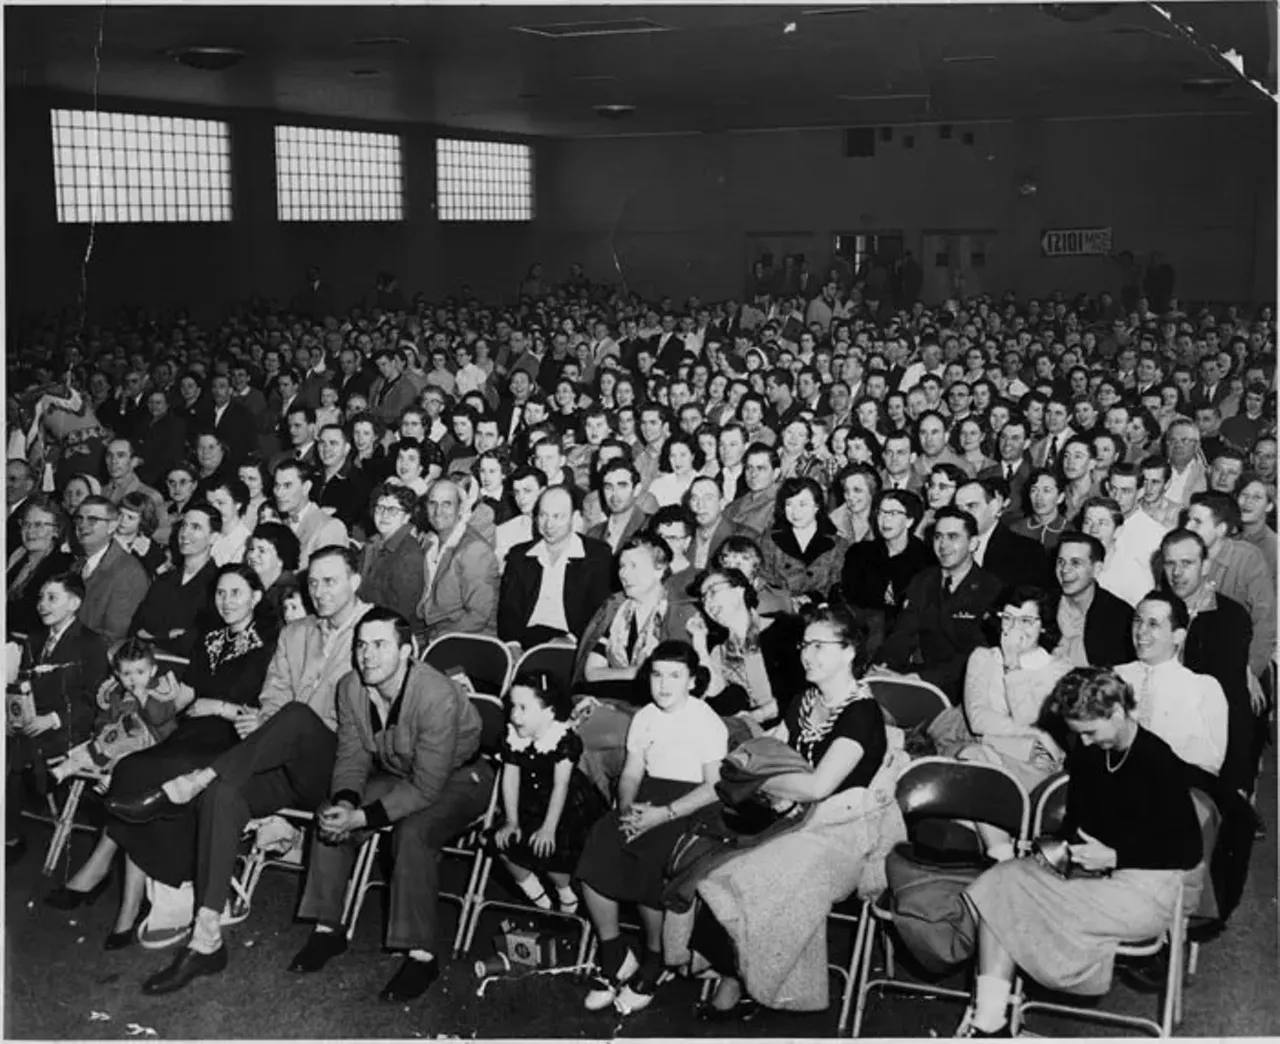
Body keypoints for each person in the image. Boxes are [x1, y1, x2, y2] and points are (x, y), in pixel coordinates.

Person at [107, 546, 372, 994]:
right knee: (223, 796)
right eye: (313, 583)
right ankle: (205, 938)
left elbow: (366, 712)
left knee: (295, 718)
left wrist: (277, 720)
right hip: (279, 754)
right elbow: (273, 695)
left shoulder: (375, 630)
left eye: (331, 581)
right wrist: (263, 721)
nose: (320, 591)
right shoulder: (297, 632)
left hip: (335, 763)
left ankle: (196, 779)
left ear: (355, 582)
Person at [682, 603, 903, 1019]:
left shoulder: (861, 713)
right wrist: (761, 777)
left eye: (820, 646)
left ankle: (744, 980)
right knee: (709, 854)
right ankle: (738, 968)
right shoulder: (803, 700)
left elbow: (819, 785)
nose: (807, 654)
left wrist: (759, 781)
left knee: (751, 873)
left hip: (841, 831)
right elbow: (763, 751)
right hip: (792, 818)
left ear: (850, 652)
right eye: (805, 644)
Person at [957, 667, 1203, 1037]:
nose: (1084, 743)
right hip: (1097, 877)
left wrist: (1117, 857)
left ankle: (990, 1022)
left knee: (1005, 892)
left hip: (1143, 890)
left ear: (1118, 713)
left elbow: (1187, 848)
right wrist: (1053, 851)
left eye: (1090, 731)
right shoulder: (1090, 755)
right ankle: (990, 1019)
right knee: (1003, 878)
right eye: (1078, 734)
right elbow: (1077, 827)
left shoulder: (1158, 760)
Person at [283, 608, 494, 1001]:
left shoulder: (435, 694)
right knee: (332, 811)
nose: (368, 655)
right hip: (400, 773)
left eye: (380, 645)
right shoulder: (351, 687)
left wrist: (361, 817)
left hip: (461, 778)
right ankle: (328, 930)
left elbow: (428, 787)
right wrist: (347, 803)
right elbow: (351, 758)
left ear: (407, 650)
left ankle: (421, 955)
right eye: (361, 645)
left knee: (413, 832)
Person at [575, 641, 729, 1014]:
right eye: (658, 674)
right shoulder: (645, 716)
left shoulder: (706, 720)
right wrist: (627, 809)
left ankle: (654, 960)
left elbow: (714, 787)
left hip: (692, 807)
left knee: (651, 857)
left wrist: (663, 814)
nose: (664, 684)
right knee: (599, 844)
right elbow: (631, 772)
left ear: (692, 681)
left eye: (675, 676)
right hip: (647, 798)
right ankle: (614, 954)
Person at [954, 587, 1073, 857]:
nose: (1015, 628)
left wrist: (1012, 666)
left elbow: (1030, 716)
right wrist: (1035, 734)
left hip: (1035, 769)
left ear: (1043, 627)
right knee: (973, 755)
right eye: (1008, 618)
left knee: (972, 771)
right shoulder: (982, 658)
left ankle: (997, 848)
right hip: (989, 758)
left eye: (1026, 621)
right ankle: (1003, 854)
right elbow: (978, 719)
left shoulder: (1059, 669)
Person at [6, 573, 110, 866]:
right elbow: (21, 689)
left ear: (74, 603)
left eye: (52, 598)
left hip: (68, 730)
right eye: (40, 598)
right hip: (30, 723)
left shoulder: (92, 643)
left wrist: (50, 719)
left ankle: (10, 835)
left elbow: (92, 702)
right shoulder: (34, 640)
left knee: (9, 756)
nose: (42, 605)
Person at [490, 672, 608, 915]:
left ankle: (565, 893)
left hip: (565, 808)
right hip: (529, 803)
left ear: (550, 712)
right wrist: (512, 821)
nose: (515, 715)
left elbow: (560, 786)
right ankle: (539, 899)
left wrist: (548, 828)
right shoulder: (512, 738)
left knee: (546, 848)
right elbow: (510, 778)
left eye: (524, 708)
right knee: (500, 842)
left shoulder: (563, 740)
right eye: (513, 706)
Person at [1160, 529, 1257, 796]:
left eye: (1186, 563)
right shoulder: (1155, 609)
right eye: (1170, 563)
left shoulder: (1230, 616)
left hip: (1207, 739)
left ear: (1205, 566)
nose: (1177, 573)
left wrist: (1237, 777)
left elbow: (1233, 701)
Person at [873, 507, 1003, 702]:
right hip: (918, 679)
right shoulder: (923, 581)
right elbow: (903, 634)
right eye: (938, 537)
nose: (943, 545)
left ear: (973, 543)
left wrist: (921, 679)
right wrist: (883, 667)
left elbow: (975, 655)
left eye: (953, 537)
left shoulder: (991, 589)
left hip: (965, 688)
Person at [1114, 592, 1229, 778]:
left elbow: (1212, 764)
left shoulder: (1203, 689)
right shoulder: (1113, 677)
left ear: (1178, 636)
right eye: (1137, 621)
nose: (1141, 631)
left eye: (1153, 624)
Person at [686, 567, 805, 745]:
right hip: (744, 736)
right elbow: (716, 701)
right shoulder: (719, 649)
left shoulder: (785, 629)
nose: (708, 602)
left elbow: (800, 691)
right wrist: (700, 645)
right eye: (703, 598)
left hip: (791, 727)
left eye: (713, 591)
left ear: (740, 589)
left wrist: (754, 716)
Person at [497, 487, 612, 649]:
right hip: (525, 641)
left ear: (574, 517)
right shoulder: (519, 555)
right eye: (543, 515)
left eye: (558, 517)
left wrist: (573, 640)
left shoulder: (596, 555)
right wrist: (513, 645)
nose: (549, 524)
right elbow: (508, 612)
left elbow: (600, 611)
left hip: (572, 642)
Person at [1184, 491, 1276, 684]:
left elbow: (1265, 622)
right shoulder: (1179, 555)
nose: (1187, 527)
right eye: (1188, 520)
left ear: (1221, 529)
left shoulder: (1248, 559)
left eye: (1197, 522)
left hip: (1234, 662)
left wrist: (1250, 672)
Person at [839, 489, 934, 659]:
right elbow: (850, 597)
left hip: (908, 638)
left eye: (893, 513)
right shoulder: (860, 553)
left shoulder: (926, 559)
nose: (884, 519)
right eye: (881, 512)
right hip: (864, 632)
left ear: (910, 521)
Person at [129, 502, 221, 660]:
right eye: (184, 525)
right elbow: (136, 627)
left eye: (196, 527)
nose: (185, 533)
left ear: (214, 537)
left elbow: (193, 644)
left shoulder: (217, 584)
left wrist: (152, 636)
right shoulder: (165, 579)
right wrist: (168, 635)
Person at [416, 478, 500, 643]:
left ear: (461, 508)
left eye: (447, 504)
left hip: (467, 640)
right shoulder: (431, 543)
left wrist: (435, 638)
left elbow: (478, 616)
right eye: (433, 503)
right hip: (432, 632)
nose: (438, 511)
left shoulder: (474, 550)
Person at [71, 495, 151, 643]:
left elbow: (114, 636)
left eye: (92, 519)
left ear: (113, 526)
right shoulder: (76, 565)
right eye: (79, 518)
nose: (82, 525)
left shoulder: (129, 572)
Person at [1050, 532, 1136, 668]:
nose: (1065, 570)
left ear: (1097, 569)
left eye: (1075, 563)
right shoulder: (1045, 606)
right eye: (1061, 562)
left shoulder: (1120, 617)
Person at [760, 476, 849, 606]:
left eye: (803, 504)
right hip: (782, 611)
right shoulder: (771, 540)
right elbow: (764, 581)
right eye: (789, 504)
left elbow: (838, 588)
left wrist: (812, 598)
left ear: (817, 506)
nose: (795, 512)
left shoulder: (838, 544)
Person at [954, 477, 1047, 589]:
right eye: (959, 509)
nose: (964, 515)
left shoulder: (1028, 552)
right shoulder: (943, 548)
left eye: (972, 506)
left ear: (994, 507)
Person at [358, 483, 426, 626]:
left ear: (407, 516)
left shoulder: (409, 555)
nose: (384, 515)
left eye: (392, 510)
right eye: (380, 508)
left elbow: (403, 613)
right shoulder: (374, 543)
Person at [6, 495, 73, 637]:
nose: (30, 531)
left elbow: (38, 619)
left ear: (56, 530)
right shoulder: (17, 558)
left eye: (38, 525)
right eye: (26, 524)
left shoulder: (62, 566)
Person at [272, 460, 349, 570]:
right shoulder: (281, 525)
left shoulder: (329, 527)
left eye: (287, 485)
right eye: (276, 485)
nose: (278, 493)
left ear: (306, 487)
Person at [1079, 496, 1153, 607]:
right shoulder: (1072, 564)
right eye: (1087, 522)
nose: (1093, 530)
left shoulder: (1135, 576)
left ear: (1117, 531)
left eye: (1102, 523)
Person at [244, 522, 302, 630]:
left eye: (261, 551)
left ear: (281, 558)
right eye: (251, 549)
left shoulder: (289, 594)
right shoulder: (255, 587)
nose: (252, 556)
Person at [1235, 472, 1277, 576]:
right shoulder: (1232, 538)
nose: (1248, 501)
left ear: (1269, 506)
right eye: (1244, 495)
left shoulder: (1273, 547)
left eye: (1257, 497)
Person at [829, 463, 879, 544]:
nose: (850, 497)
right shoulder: (833, 523)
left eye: (857, 490)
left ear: (871, 491)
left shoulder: (885, 521)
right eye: (847, 491)